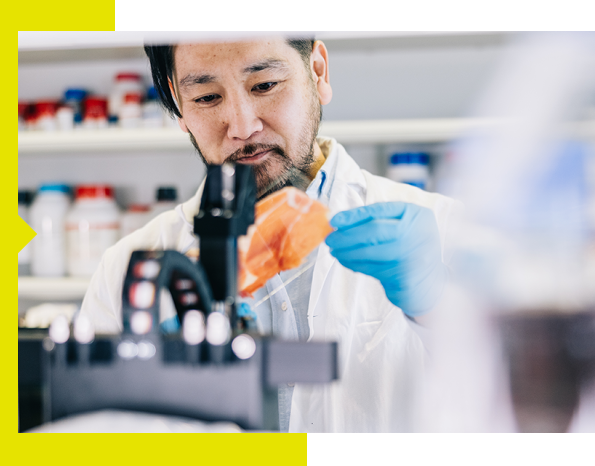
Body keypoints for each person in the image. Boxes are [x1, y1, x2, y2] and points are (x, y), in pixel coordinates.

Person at [79, 37, 460, 432]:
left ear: (317, 71)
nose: (242, 127)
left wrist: (441, 312)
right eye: (208, 97)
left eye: (264, 85)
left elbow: (512, 417)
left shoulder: (445, 232)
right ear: (178, 103)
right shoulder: (128, 272)